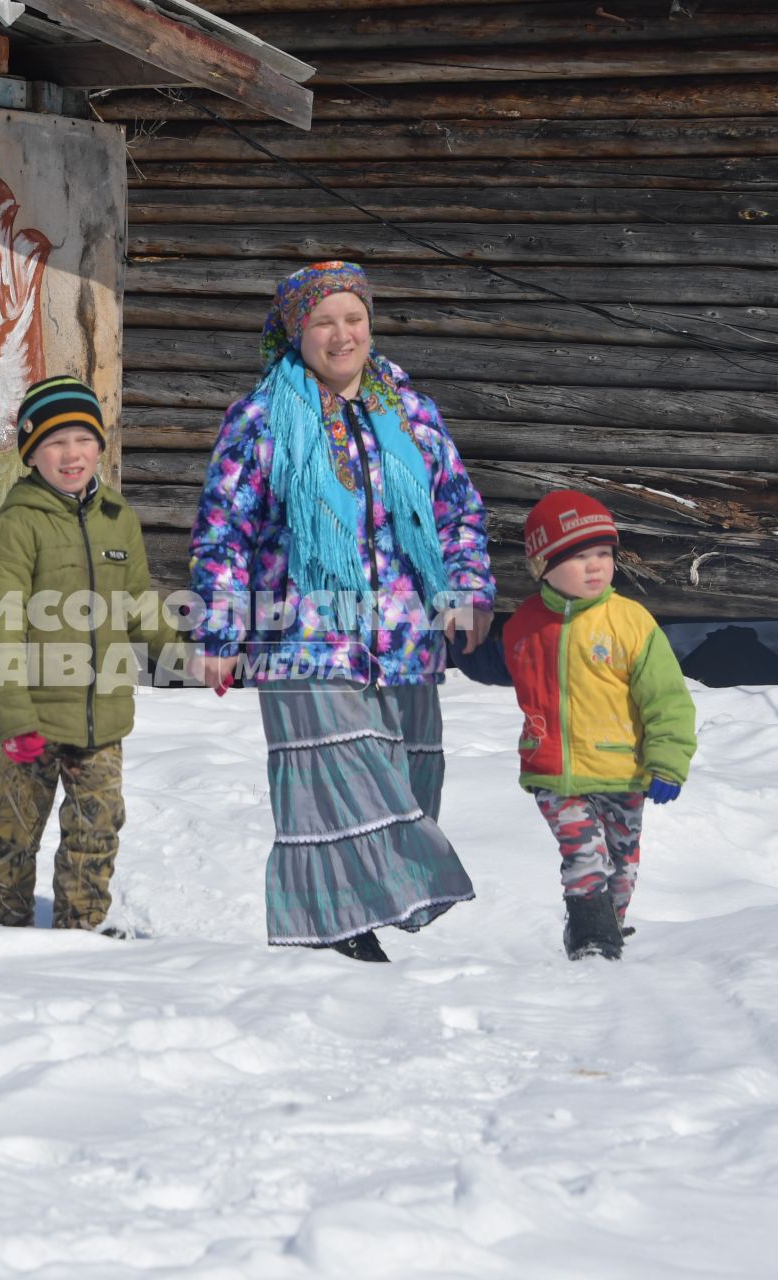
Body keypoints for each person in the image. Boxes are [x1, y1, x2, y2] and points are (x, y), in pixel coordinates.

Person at [187, 261, 496, 962]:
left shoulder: (410, 414)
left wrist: (469, 589)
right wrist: (218, 628)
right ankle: (338, 934)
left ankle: (346, 919)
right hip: (302, 635)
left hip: (403, 638)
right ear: (297, 331)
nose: (341, 334)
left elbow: (457, 513)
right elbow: (224, 530)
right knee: (336, 781)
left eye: (353, 318)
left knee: (406, 781)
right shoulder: (261, 418)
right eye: (324, 321)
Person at [454, 489, 697, 961]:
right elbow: (501, 666)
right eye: (580, 556)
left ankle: (607, 928)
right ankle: (592, 940)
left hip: (622, 771)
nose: (595, 566)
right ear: (542, 565)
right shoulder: (527, 623)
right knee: (584, 855)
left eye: (604, 554)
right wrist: (459, 646)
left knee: (622, 868)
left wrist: (668, 761)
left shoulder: (631, 623)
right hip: (555, 772)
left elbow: (667, 700)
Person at [0, 375, 173, 934]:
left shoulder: (118, 519)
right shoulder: (19, 523)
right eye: (56, 443)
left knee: (97, 826)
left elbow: (136, 605)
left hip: (100, 715)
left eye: (83, 439)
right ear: (32, 454)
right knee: (14, 831)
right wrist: (12, 716)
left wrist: (186, 655)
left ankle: (81, 932)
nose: (72, 454)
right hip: (29, 714)